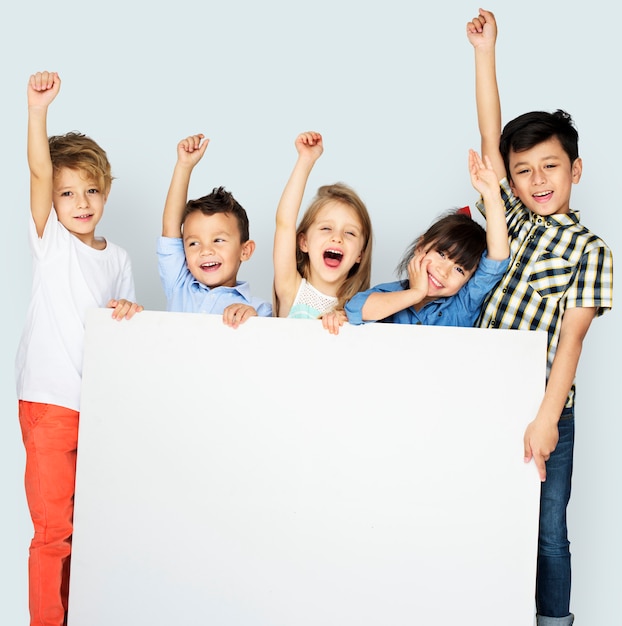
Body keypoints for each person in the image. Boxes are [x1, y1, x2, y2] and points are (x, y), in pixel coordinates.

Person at [466, 10, 613, 625]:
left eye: (549, 166)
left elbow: (572, 340)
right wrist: (485, 51)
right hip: (480, 391)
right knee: (477, 512)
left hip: (546, 406)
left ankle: (553, 622)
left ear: (574, 170)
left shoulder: (592, 251)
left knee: (548, 531)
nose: (536, 179)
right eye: (523, 171)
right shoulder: (515, 218)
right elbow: (490, 129)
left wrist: (547, 420)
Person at [17, 71, 143, 626]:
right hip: (48, 402)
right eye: (67, 193)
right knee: (53, 531)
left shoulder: (117, 258)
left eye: (91, 190)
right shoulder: (51, 244)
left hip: (95, 411)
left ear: (106, 191)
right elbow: (39, 169)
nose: (80, 202)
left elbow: (125, 327)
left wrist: (128, 313)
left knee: (89, 528)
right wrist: (37, 110)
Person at [345, 150, 509, 326]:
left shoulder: (463, 305)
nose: (443, 271)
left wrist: (491, 195)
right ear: (420, 245)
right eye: (442, 254)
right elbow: (356, 309)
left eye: (459, 270)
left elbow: (496, 261)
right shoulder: (387, 294)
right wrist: (416, 293)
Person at [158, 134, 271, 327]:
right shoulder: (179, 286)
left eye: (218, 240)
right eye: (193, 243)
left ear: (245, 250)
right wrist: (184, 167)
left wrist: (254, 322)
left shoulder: (258, 309)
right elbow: (170, 228)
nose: (205, 250)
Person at [273, 131, 373, 332]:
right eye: (326, 228)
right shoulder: (292, 290)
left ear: (360, 254)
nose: (337, 238)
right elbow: (285, 223)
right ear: (303, 242)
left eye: (350, 233)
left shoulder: (359, 309)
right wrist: (306, 160)